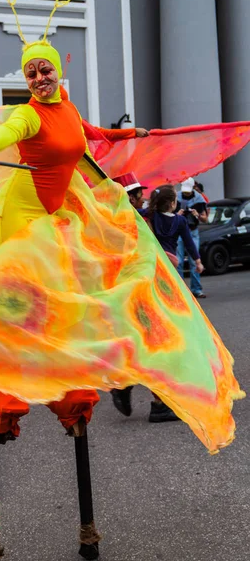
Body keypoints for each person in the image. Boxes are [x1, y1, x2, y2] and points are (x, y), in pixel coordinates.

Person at [0, 0, 243, 560]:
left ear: (60, 73)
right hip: (28, 219)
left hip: (61, 214)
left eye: (45, 70)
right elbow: (9, 132)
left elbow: (89, 141)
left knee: (94, 281)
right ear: (27, 80)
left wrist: (131, 137)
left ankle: (76, 371)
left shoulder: (67, 110)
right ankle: (12, 370)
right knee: (30, 292)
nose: (38, 78)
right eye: (31, 72)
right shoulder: (28, 114)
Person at [109, 174, 182, 422]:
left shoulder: (129, 217)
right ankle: (158, 403)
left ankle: (127, 383)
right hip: (138, 291)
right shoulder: (128, 220)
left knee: (149, 342)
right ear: (129, 196)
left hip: (137, 291)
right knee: (155, 342)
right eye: (139, 193)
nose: (143, 197)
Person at [176, 177, 208, 298]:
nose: (186, 193)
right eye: (184, 191)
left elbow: (205, 219)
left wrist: (197, 215)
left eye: (188, 191)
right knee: (178, 261)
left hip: (192, 231)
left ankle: (196, 289)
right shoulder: (176, 197)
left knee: (194, 261)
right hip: (179, 232)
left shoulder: (199, 199)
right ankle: (181, 290)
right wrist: (177, 215)